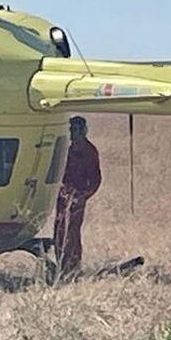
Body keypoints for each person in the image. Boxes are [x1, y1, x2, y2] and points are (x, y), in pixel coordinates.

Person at [54, 116, 101, 276]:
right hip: (63, 195)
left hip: (77, 196)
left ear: (82, 131)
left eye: (74, 130)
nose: (72, 133)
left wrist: (83, 196)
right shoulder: (66, 148)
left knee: (72, 232)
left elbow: (95, 179)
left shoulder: (88, 151)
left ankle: (73, 266)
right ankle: (61, 265)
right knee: (60, 230)